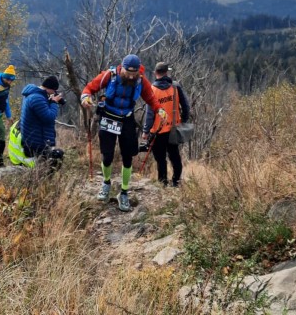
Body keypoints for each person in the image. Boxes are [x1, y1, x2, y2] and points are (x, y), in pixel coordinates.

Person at [81, 54, 167, 212]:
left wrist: (159, 109)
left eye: (134, 73)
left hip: (126, 119)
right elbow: (89, 88)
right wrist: (86, 98)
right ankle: (106, 183)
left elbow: (150, 98)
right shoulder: (110, 75)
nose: (131, 76)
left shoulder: (140, 80)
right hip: (108, 117)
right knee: (107, 156)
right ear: (122, 68)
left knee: (128, 157)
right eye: (128, 72)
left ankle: (124, 192)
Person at [142, 62, 191, 187]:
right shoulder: (175, 87)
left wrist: (146, 131)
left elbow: (149, 114)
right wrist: (184, 120)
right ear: (167, 72)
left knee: (160, 159)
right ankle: (176, 181)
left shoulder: (151, 90)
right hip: (173, 129)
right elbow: (185, 106)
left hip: (157, 131)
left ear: (155, 73)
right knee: (175, 156)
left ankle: (163, 183)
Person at [18, 75, 66, 170]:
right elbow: (49, 117)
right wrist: (54, 103)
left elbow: (41, 113)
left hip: (35, 138)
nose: (54, 93)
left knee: (50, 161)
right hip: (36, 142)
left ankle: (43, 181)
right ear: (50, 89)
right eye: (54, 91)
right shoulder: (37, 98)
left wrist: (51, 101)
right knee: (55, 158)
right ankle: (44, 181)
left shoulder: (36, 95)